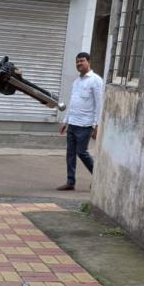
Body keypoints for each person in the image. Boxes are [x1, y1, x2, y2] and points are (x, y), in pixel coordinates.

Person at [57, 52, 104, 191]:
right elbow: (72, 103)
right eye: (77, 62)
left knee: (81, 152)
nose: (79, 64)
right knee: (70, 153)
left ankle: (98, 178)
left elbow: (99, 104)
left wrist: (96, 125)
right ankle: (70, 182)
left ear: (88, 62)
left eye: (82, 61)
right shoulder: (76, 82)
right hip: (73, 123)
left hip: (85, 124)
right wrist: (65, 120)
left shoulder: (96, 80)